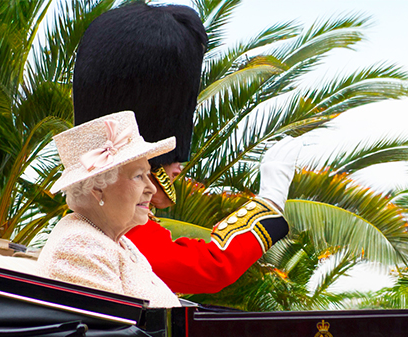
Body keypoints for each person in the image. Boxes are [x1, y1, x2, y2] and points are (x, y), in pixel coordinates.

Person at [73, 2, 302, 295]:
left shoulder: (108, 220)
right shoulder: (121, 231)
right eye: (140, 173)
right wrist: (269, 203)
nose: (179, 166)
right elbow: (211, 266)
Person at [36, 111, 181, 308]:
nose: (152, 189)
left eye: (148, 174)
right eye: (138, 176)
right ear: (97, 188)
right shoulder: (81, 246)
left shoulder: (118, 242)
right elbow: (118, 333)